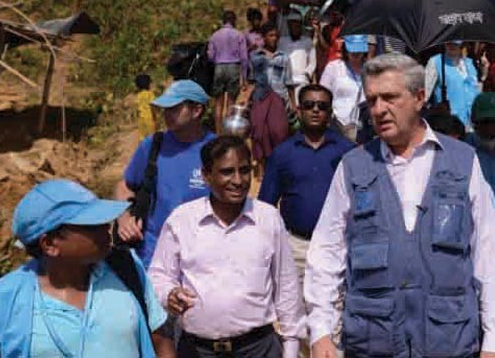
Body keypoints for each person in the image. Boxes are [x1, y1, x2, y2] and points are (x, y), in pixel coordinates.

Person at [305, 54, 495, 358]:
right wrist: (321, 330)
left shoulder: (463, 161)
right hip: (373, 343)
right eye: (372, 100)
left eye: (390, 97)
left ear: (419, 98)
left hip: (448, 342)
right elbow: (327, 251)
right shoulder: (353, 166)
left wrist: (493, 340)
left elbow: (487, 253)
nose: (379, 109)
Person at [0, 180, 171, 358]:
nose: (106, 228)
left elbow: (160, 342)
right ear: (50, 244)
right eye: (91, 225)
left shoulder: (126, 269)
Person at [148, 136, 306, 358]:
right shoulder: (182, 220)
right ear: (206, 175)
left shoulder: (268, 218)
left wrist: (290, 347)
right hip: (197, 351)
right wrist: (170, 294)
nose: (238, 180)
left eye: (244, 170)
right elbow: (159, 276)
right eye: (227, 172)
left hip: (259, 349)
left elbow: (286, 287)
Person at [259, 85, 355, 283]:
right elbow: (265, 206)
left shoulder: (348, 152)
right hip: (296, 247)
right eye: (309, 105)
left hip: (337, 247)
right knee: (294, 303)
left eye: (322, 106)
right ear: (299, 110)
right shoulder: (283, 153)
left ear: (330, 112)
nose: (315, 110)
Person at [115, 80, 215, 267]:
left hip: (200, 256)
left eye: (174, 108)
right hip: (152, 254)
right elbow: (125, 186)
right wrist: (124, 218)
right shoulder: (153, 145)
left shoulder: (216, 151)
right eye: (165, 109)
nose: (167, 114)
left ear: (197, 111)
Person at [249, 23, 293, 170]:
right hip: (260, 98)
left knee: (279, 133)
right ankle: (262, 170)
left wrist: (293, 104)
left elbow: (289, 82)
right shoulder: (255, 57)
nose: (274, 38)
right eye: (270, 35)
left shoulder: (284, 58)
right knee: (259, 134)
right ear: (264, 38)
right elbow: (251, 80)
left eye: (276, 36)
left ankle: (278, 167)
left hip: (279, 99)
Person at [319, 35, 368, 142]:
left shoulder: (370, 69)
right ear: (345, 49)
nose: (356, 53)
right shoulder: (333, 67)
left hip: (363, 125)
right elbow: (323, 95)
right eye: (353, 50)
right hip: (337, 124)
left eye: (359, 50)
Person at [425, 40, 481, 130]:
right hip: (449, 125)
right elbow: (425, 94)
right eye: (448, 42)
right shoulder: (436, 61)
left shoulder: (470, 63)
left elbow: (476, 90)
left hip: (472, 124)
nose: (451, 46)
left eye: (455, 44)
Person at [207, 10, 248, 133]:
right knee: (231, 102)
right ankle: (228, 131)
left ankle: (218, 131)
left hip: (219, 67)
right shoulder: (239, 35)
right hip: (233, 67)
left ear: (223, 21)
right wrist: (244, 77)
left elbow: (210, 56)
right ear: (234, 21)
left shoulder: (215, 35)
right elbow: (244, 58)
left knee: (218, 102)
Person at [279, 12, 316, 102]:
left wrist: (307, 73)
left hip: (301, 80)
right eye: (292, 25)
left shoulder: (307, 41)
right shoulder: (282, 41)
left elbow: (313, 62)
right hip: (284, 81)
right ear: (288, 26)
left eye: (297, 25)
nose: (295, 27)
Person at [135, 73, 156, 140]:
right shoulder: (150, 94)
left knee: (142, 136)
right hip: (149, 117)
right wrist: (154, 115)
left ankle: (144, 145)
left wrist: (137, 118)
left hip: (141, 118)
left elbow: (137, 108)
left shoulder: (138, 95)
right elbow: (152, 106)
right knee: (151, 135)